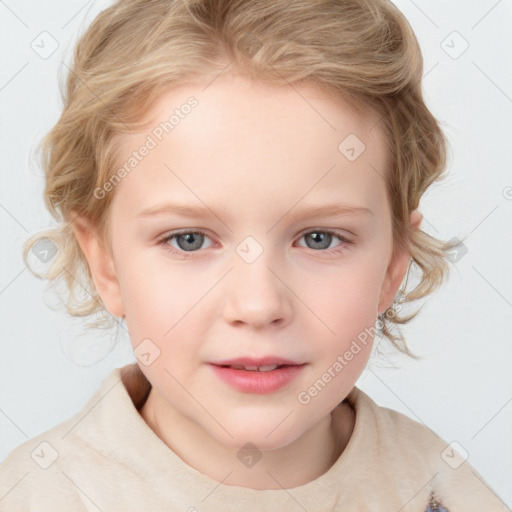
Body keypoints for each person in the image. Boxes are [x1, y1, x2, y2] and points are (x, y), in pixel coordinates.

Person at [0, 0, 508, 510]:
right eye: (189, 240)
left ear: (393, 262)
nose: (258, 304)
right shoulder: (37, 496)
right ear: (104, 263)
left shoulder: (444, 491)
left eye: (319, 239)